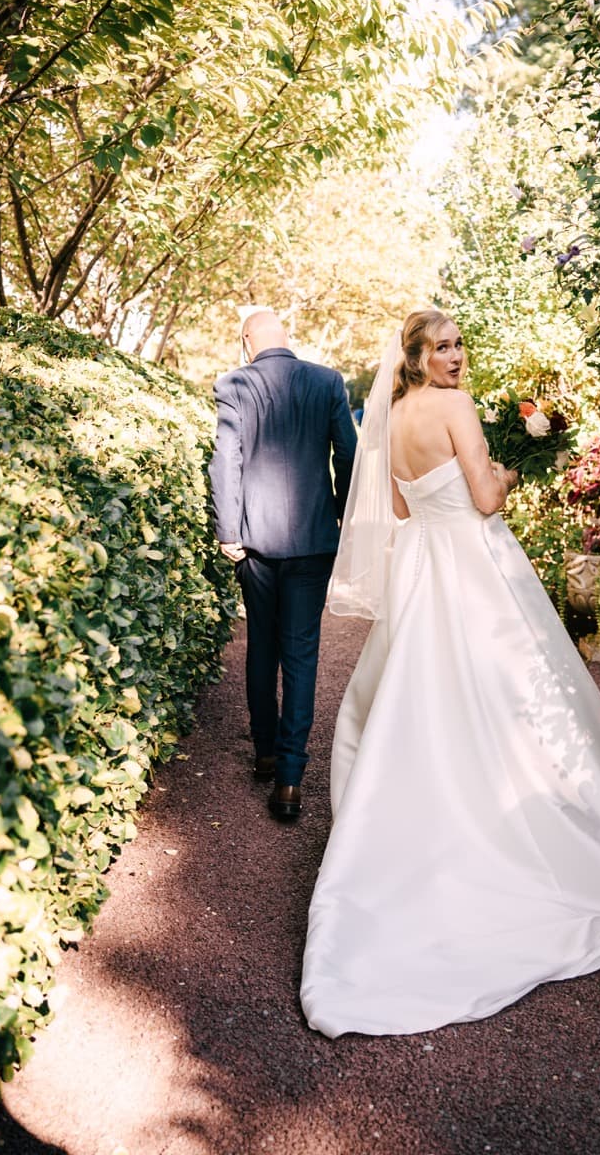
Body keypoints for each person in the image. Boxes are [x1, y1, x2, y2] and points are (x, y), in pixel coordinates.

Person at [300, 307, 600, 1036]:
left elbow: (397, 505)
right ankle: (524, 824)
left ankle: (430, 815)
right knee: (512, 690)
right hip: (474, 564)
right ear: (419, 356)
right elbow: (486, 499)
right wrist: (510, 469)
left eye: (459, 345)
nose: (455, 357)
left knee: (426, 695)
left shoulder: (391, 416)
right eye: (442, 348)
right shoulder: (456, 406)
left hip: (424, 569)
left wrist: (452, 488)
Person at [209, 309, 357, 822]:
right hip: (314, 542)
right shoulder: (326, 381)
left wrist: (228, 530)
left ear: (246, 341)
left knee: (262, 648)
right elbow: (349, 455)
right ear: (284, 339)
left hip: (255, 542)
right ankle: (291, 780)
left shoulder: (234, 384)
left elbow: (226, 459)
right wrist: (337, 517)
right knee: (301, 656)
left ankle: (266, 753)